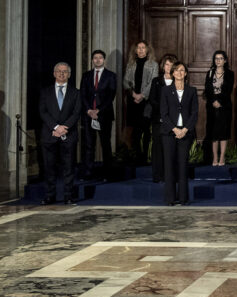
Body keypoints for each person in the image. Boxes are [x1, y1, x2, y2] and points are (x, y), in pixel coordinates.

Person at [38, 63, 81, 204]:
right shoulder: (45, 92)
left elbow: (76, 113)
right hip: (49, 135)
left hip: (69, 135)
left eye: (65, 72)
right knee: (49, 167)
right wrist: (56, 127)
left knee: (68, 167)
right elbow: (42, 112)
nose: (62, 74)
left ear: (69, 74)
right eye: (59, 71)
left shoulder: (76, 93)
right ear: (54, 73)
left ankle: (68, 196)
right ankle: (50, 195)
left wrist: (64, 127)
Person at [160, 61, 198, 206]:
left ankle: (183, 198)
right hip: (169, 133)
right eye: (176, 70)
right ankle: (170, 198)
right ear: (172, 73)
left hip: (185, 132)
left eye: (182, 70)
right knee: (169, 166)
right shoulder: (165, 90)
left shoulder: (191, 91)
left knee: (183, 165)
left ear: (186, 73)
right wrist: (175, 129)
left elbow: (194, 113)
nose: (179, 73)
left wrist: (185, 130)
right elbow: (164, 113)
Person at [79, 49, 117, 179]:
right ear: (92, 60)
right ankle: (88, 173)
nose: (98, 60)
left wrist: (98, 110)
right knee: (89, 144)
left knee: (105, 144)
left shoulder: (111, 76)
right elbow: (82, 94)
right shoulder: (86, 75)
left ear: (104, 60)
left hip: (104, 114)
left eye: (100, 57)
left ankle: (108, 174)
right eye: (95, 58)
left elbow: (111, 95)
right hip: (88, 114)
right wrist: (89, 110)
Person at [124, 40, 157, 158]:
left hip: (146, 101)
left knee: (146, 129)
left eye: (143, 47)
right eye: (138, 48)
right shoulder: (131, 64)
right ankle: (137, 155)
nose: (141, 50)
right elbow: (125, 81)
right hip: (133, 101)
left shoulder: (153, 64)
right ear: (135, 50)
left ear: (147, 50)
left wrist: (142, 95)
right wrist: (133, 94)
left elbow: (153, 82)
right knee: (135, 130)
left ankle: (145, 156)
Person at [146, 54, 176, 183]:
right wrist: (163, 111)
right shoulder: (156, 81)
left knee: (172, 148)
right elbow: (152, 99)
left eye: (171, 65)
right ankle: (157, 175)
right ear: (163, 66)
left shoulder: (178, 81)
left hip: (174, 120)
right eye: (167, 64)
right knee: (157, 147)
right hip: (158, 118)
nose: (169, 67)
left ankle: (171, 175)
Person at [204, 50, 234, 167]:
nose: (218, 61)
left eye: (221, 58)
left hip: (224, 106)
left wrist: (219, 101)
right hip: (212, 106)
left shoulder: (230, 73)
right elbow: (207, 89)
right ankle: (215, 157)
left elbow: (228, 90)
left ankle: (222, 157)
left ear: (225, 60)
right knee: (213, 132)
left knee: (224, 132)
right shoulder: (210, 73)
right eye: (216, 58)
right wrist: (213, 101)